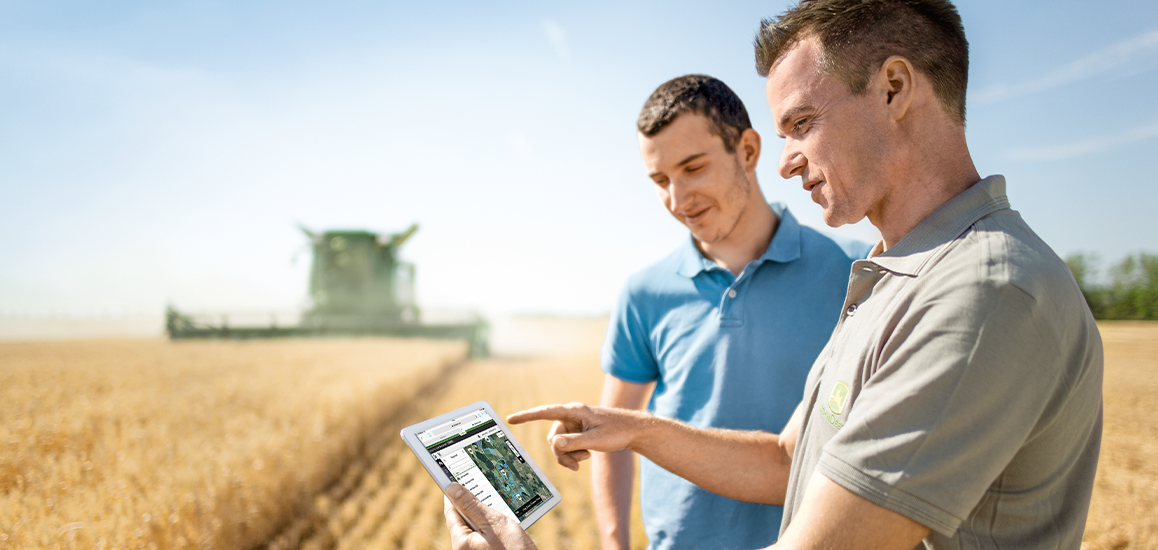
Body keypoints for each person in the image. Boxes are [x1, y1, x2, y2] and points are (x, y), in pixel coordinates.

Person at [442, 1, 1104, 549]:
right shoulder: (892, 279)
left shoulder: (981, 294)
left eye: (803, 125)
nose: (787, 162)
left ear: (894, 89)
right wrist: (636, 429)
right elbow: (789, 463)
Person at [593, 74, 868, 550]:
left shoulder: (857, 273)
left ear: (748, 151)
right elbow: (612, 431)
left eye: (694, 168)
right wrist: (615, 543)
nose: (678, 201)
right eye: (661, 181)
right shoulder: (644, 293)